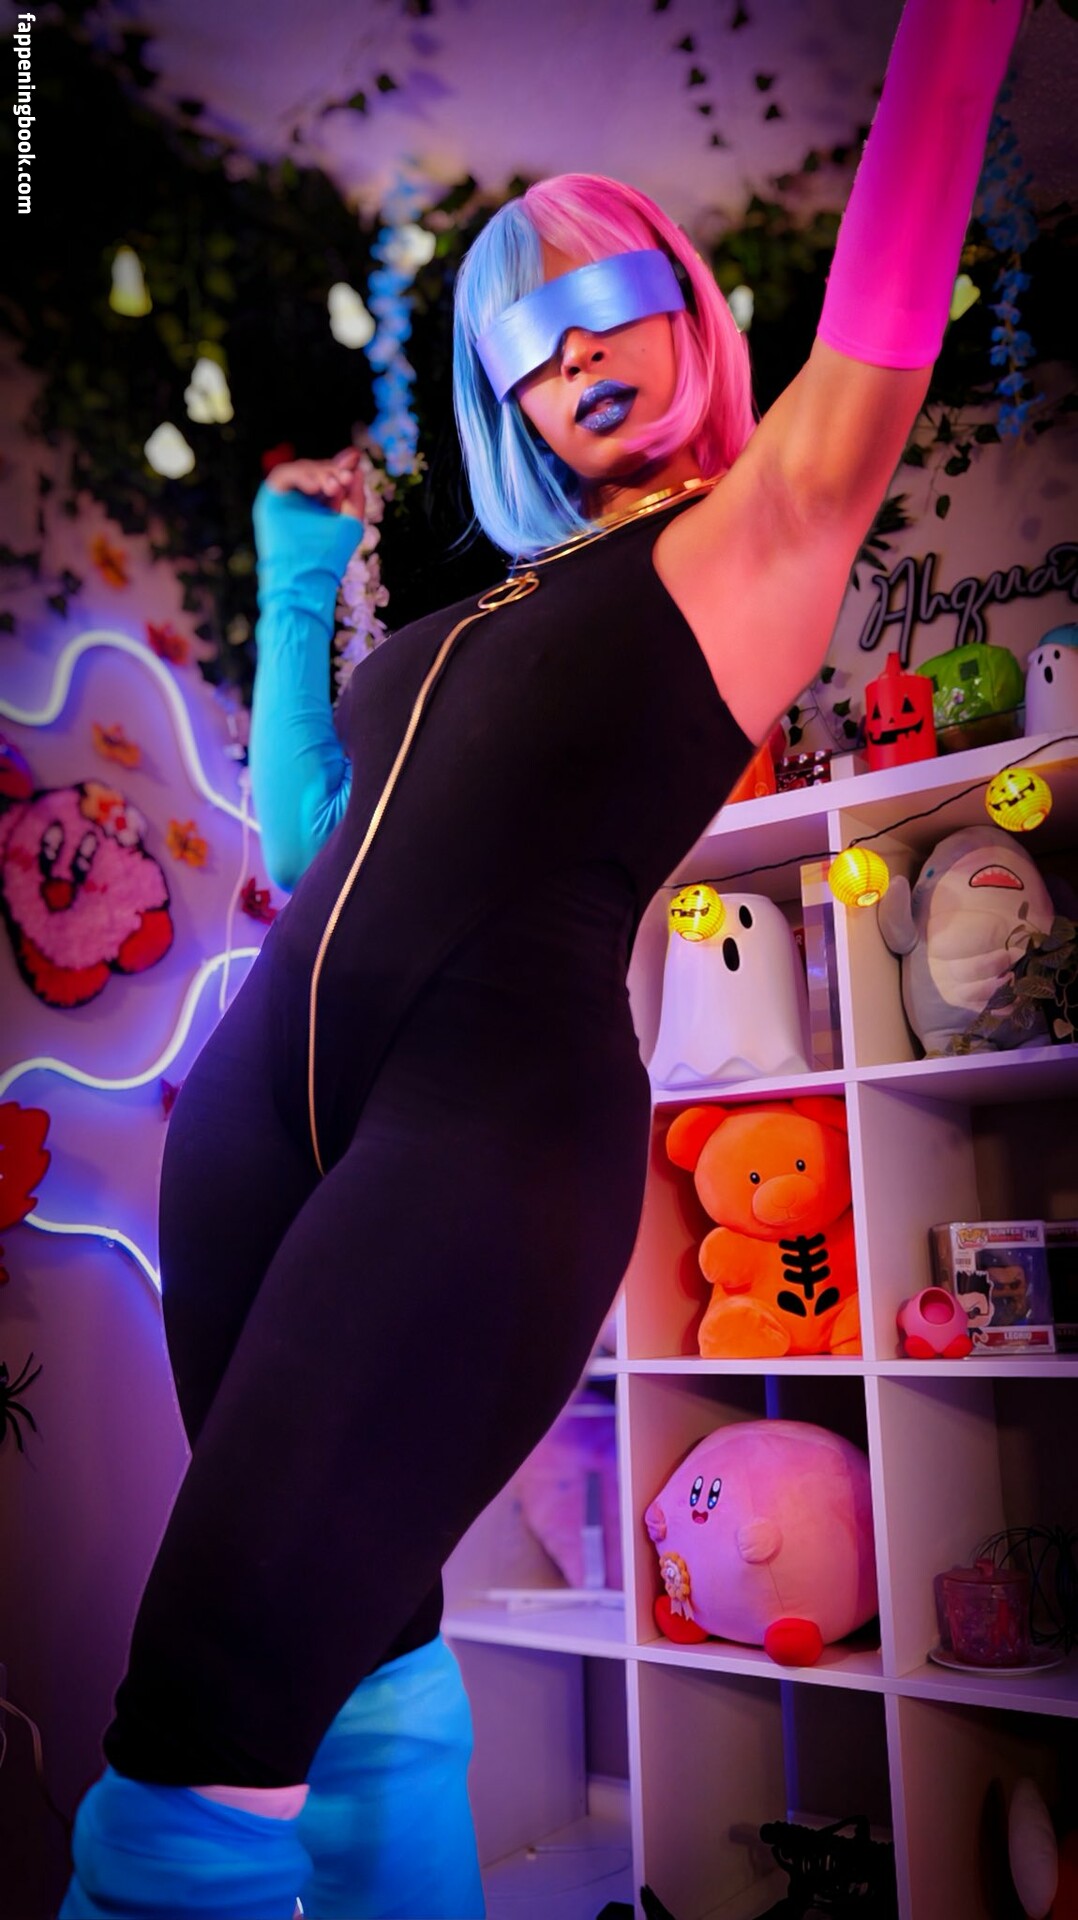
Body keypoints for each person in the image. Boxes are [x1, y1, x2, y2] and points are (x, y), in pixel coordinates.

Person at [59, 0, 1025, 1913]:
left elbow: (884, 305)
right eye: (523, 328)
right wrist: (292, 570)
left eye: (604, 298)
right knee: (357, 1680)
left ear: (687, 311)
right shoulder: (477, 605)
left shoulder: (757, 536)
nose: (570, 348)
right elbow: (301, 834)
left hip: (482, 1122)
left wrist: (958, 24)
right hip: (252, 1129)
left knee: (188, 1748)